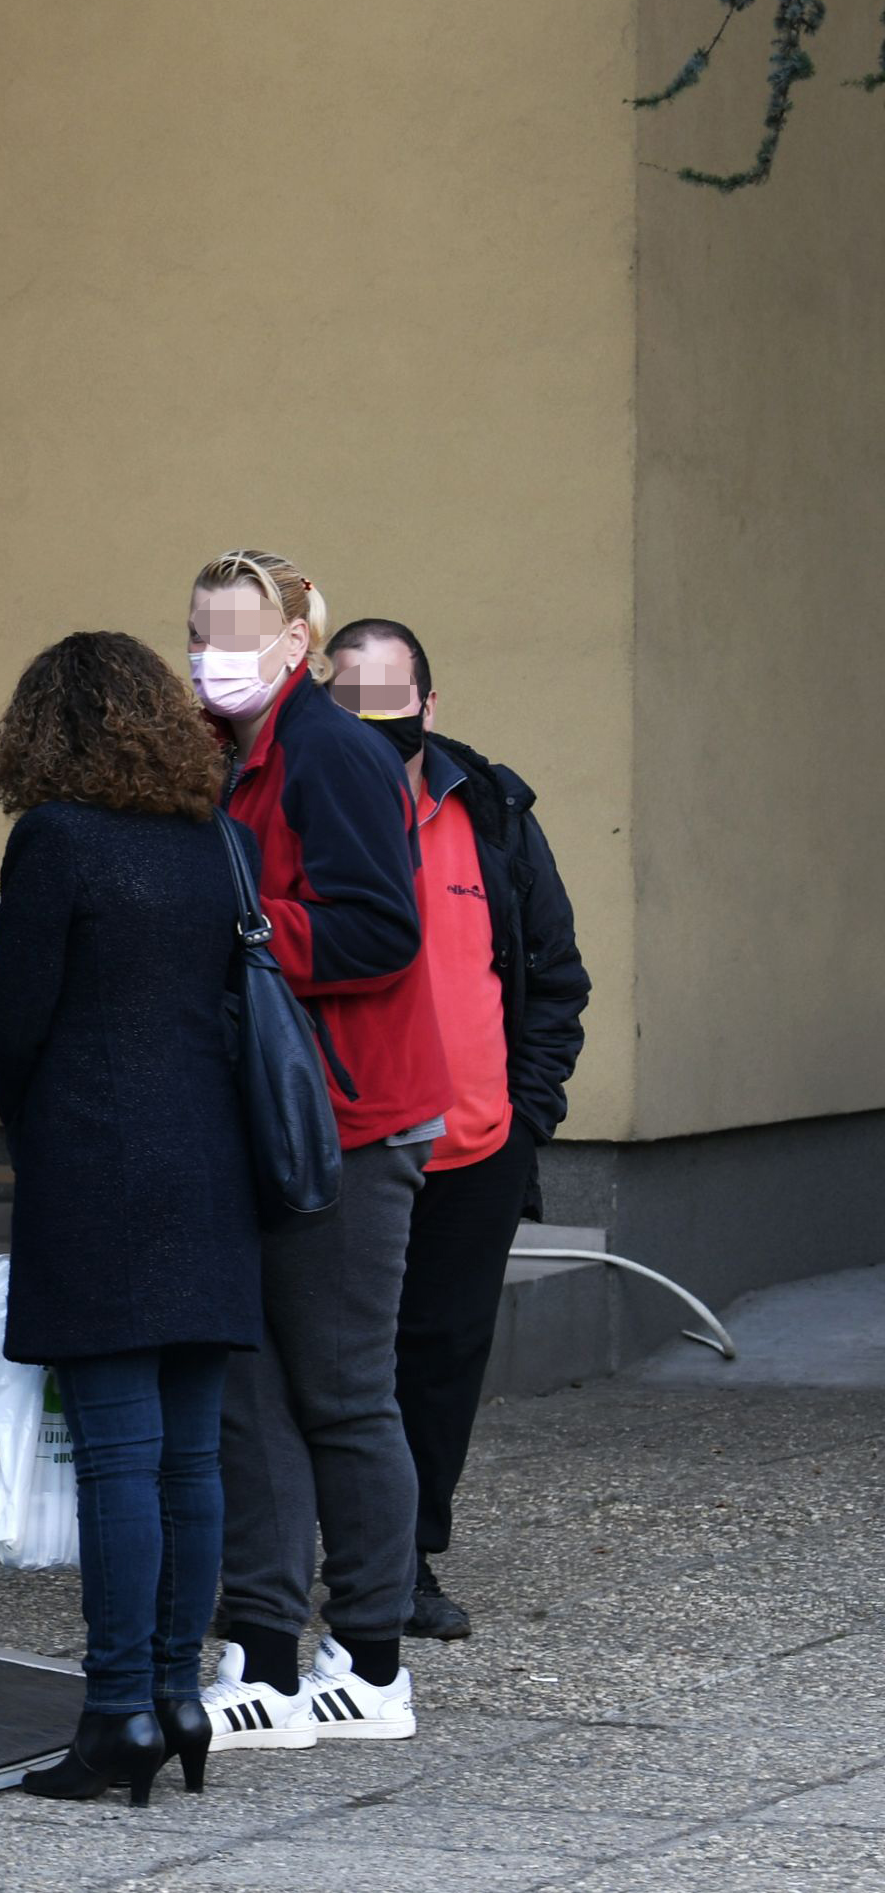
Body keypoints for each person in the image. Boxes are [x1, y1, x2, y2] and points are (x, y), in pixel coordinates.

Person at [0, 633, 265, 1805]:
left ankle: (114, 1713)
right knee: (191, 1455)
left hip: (96, 1161)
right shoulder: (221, 843)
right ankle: (178, 1691)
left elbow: (19, 1019)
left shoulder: (55, 838)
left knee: (116, 1457)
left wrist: (32, 1125)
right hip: (212, 1166)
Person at [187, 549, 445, 1750]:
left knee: (340, 1390)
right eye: (196, 630)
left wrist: (233, 930)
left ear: (296, 645)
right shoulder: (225, 746)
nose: (208, 655)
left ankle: (375, 1658)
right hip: (276, 1111)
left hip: (348, 1115)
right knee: (253, 1386)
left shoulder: (329, 750)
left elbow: (379, 930)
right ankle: (266, 1648)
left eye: (234, 633)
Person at [322, 617, 589, 1644]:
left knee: (435, 1360)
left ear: (430, 705)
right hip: (342, 1140)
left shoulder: (494, 814)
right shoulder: (301, 807)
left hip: (473, 1146)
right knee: (320, 1358)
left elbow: (551, 975)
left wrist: (528, 1115)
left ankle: (404, 1561)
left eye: (391, 701)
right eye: (347, 701)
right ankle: (266, 1560)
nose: (373, 722)